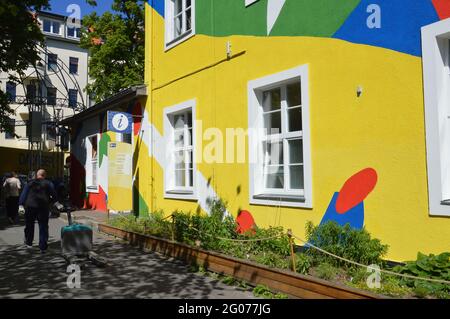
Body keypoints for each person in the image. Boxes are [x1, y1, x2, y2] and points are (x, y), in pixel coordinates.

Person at [19, 169, 58, 253]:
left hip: (30, 207)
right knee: (43, 226)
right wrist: (56, 202)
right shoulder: (48, 183)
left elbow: (24, 194)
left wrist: (21, 205)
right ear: (44, 175)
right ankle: (42, 247)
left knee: (29, 225)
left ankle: (29, 244)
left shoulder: (30, 183)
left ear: (37, 175)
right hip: (43, 207)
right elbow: (54, 194)